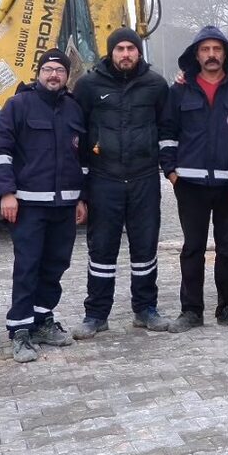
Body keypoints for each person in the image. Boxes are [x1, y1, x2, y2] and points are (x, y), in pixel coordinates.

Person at [69, 29, 172, 339]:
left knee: (145, 246)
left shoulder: (156, 85)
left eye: (131, 48)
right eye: (120, 49)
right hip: (104, 179)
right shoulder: (88, 86)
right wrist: (82, 189)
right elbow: (81, 137)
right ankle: (96, 314)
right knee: (101, 249)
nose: (125, 54)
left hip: (143, 178)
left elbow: (166, 127)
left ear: (139, 53)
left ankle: (145, 309)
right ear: (110, 52)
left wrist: (169, 169)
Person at [0, 49, 88, 363]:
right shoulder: (18, 105)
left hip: (65, 205)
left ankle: (42, 320)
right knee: (27, 267)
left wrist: (82, 197)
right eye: (48, 69)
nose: (54, 75)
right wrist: (6, 193)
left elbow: (81, 159)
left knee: (56, 265)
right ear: (38, 73)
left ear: (67, 75)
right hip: (29, 205)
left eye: (60, 70)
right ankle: (20, 331)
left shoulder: (74, 109)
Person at [162, 26, 228, 330]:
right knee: (193, 248)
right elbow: (167, 134)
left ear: (225, 53)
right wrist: (171, 172)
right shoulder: (179, 90)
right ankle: (191, 310)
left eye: (217, 49)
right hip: (190, 185)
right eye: (205, 49)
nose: (211, 55)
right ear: (196, 54)